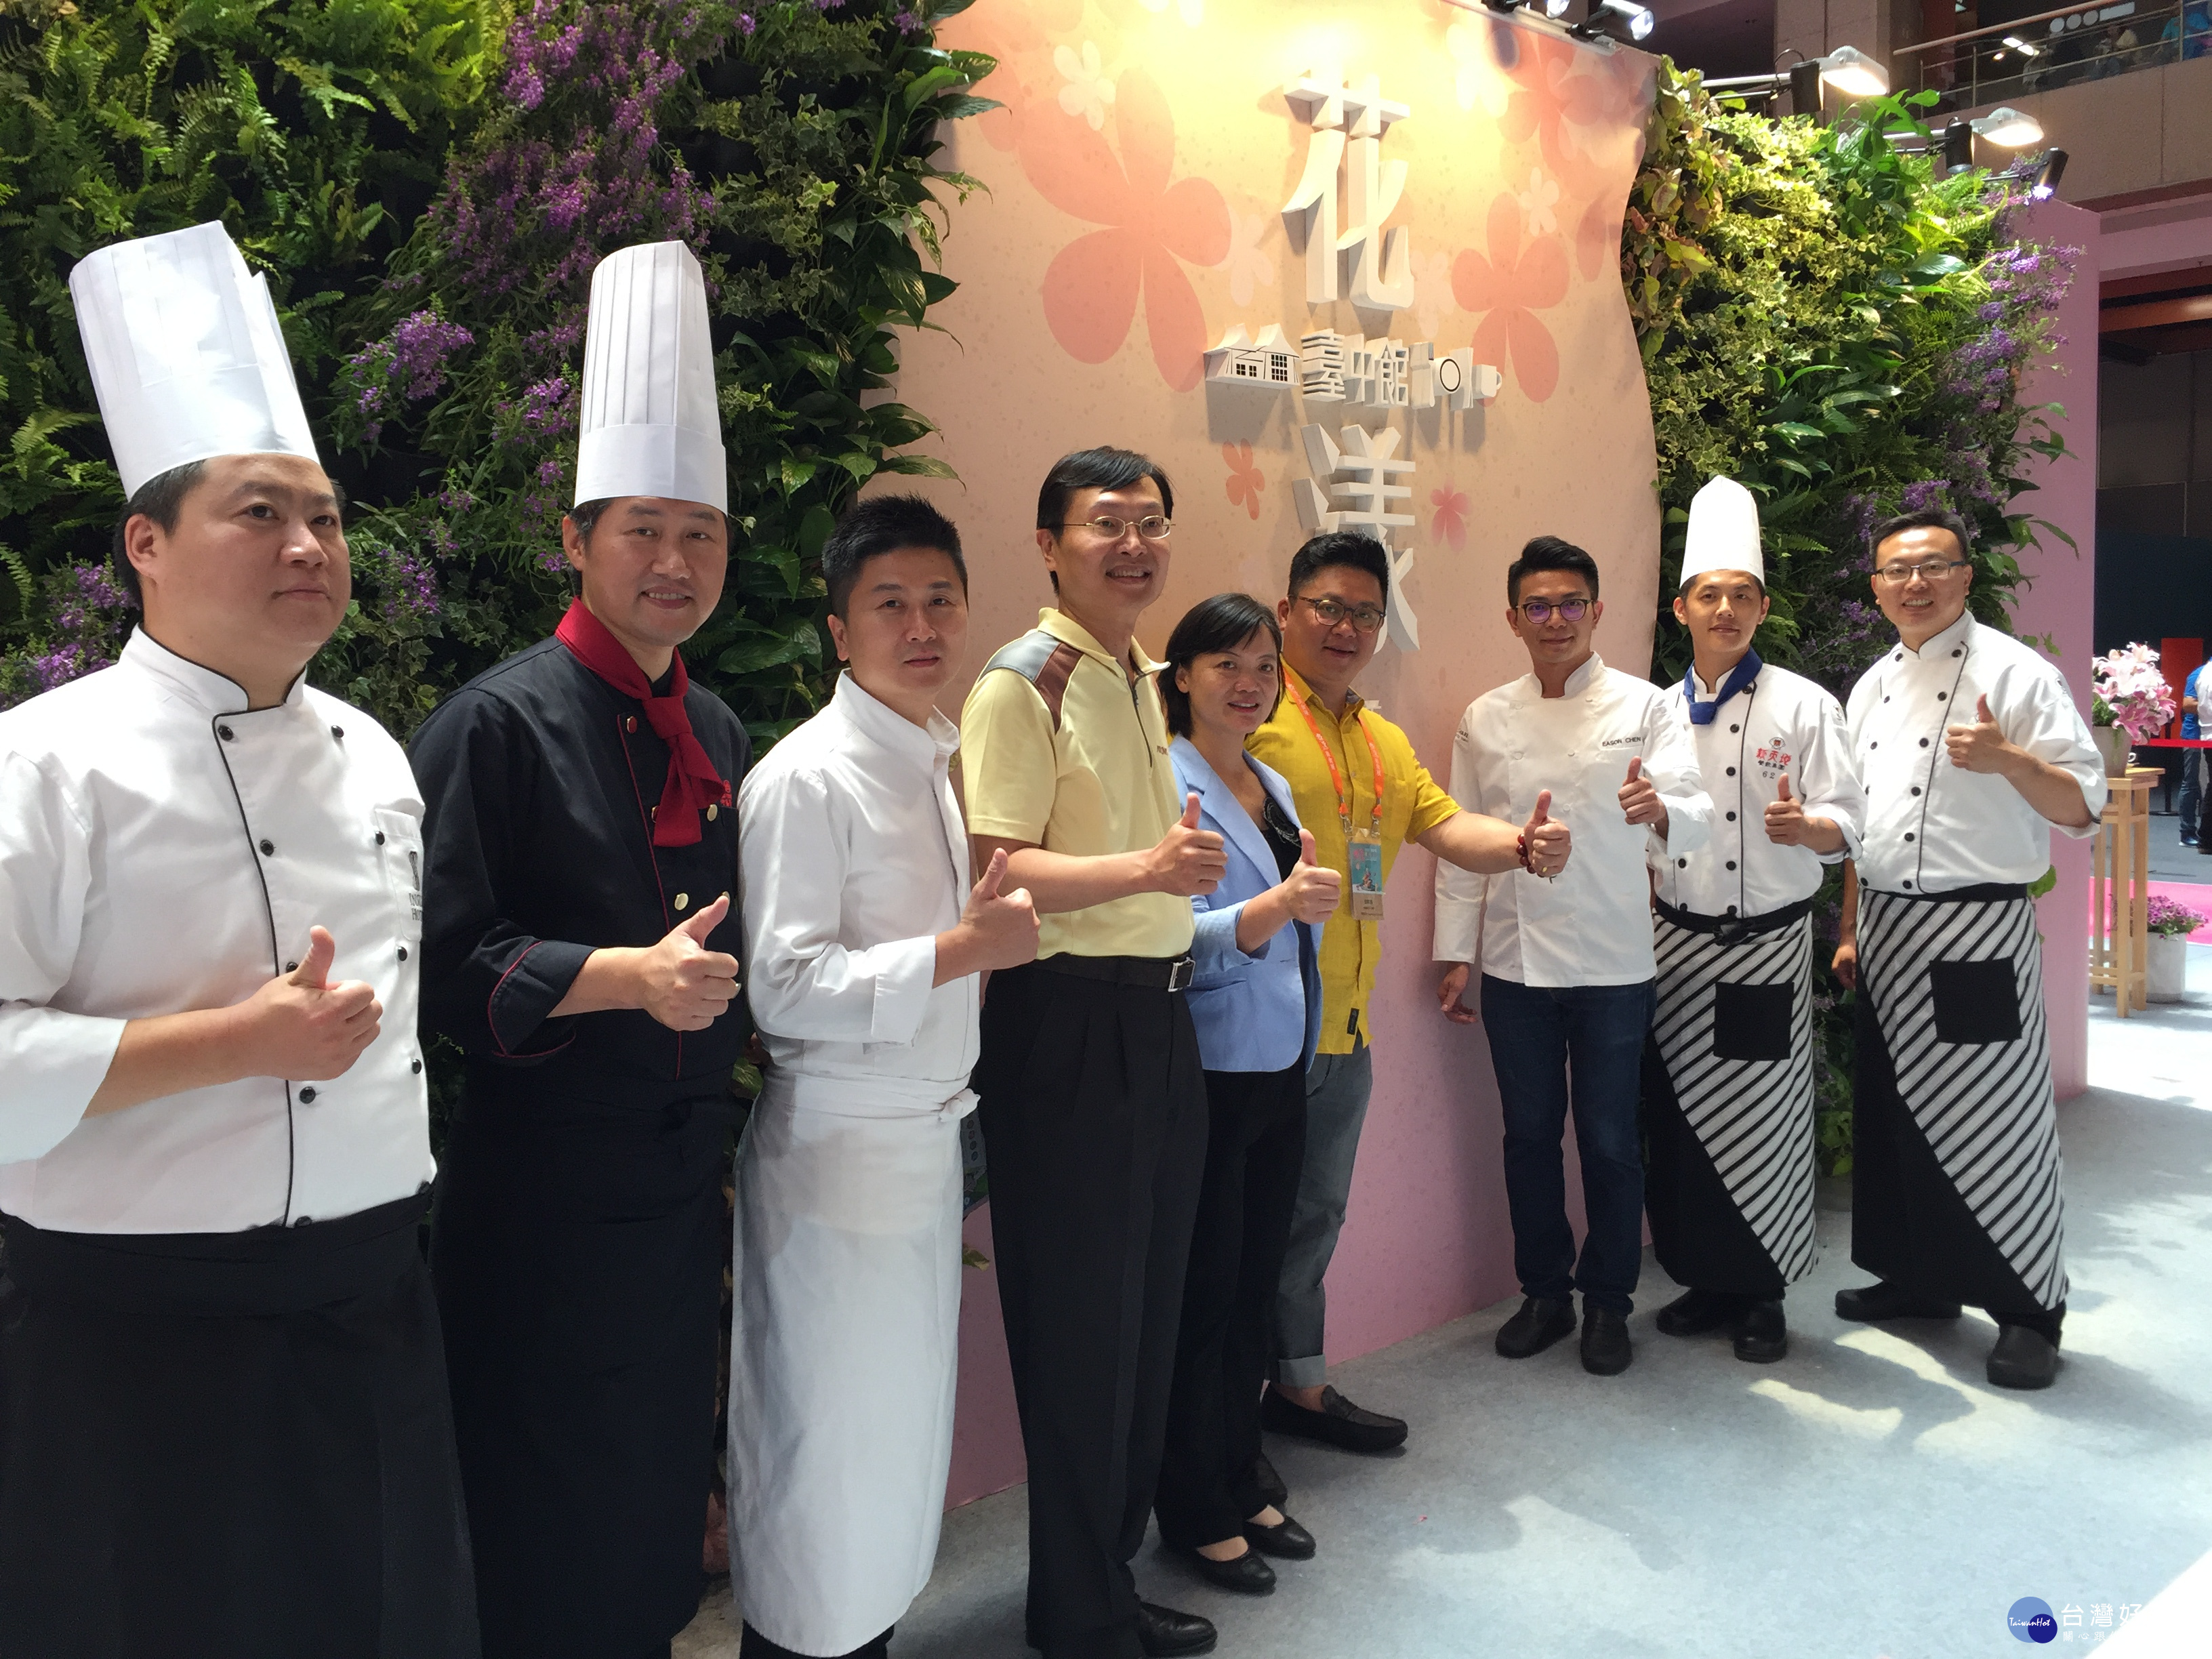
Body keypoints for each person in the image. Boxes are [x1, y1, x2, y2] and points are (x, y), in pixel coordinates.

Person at [0, 220, 476, 1656]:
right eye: (260, 513)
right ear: (144, 545)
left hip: (372, 1306)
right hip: (137, 1343)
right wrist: (237, 1044)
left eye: (325, 517)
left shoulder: (374, 750)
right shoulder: (46, 763)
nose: (309, 546)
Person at [410, 241, 750, 1658]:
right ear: (575, 540)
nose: (674, 564)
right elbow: (437, 967)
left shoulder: (715, 727)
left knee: (654, 1495)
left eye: (700, 534)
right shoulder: (493, 724)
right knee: (545, 1512)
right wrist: (623, 977)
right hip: (541, 1202)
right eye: (642, 531)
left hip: (675, 1196)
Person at [728, 495, 1040, 1659]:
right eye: (889, 603)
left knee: (892, 1442)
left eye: (940, 600)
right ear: (837, 629)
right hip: (838, 1157)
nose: (921, 625)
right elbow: (783, 988)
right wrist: (963, 950)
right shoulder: (807, 777)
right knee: (826, 1454)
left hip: (915, 1150)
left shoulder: (927, 755)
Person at [960, 447, 1223, 1659]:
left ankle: (1103, 1579)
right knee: (1081, 1331)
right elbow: (999, 868)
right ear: (1048, 545)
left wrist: (1157, 883)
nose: (1134, 545)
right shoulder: (1025, 680)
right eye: (1106, 523)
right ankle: (1077, 1610)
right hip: (1067, 1022)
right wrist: (1147, 870)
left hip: (1158, 1018)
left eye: (1151, 522)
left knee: (1145, 1318)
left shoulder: (1137, 672)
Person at [1246, 531, 1568, 1477]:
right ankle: (1218, 1425)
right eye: (1327, 607)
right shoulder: (1247, 712)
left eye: (1364, 614)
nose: (1345, 628)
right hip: (1254, 1026)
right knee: (1239, 1224)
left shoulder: (1380, 742)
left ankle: (1296, 1387)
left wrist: (1520, 846)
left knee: (1313, 1218)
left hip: (1344, 1024)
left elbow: (1444, 824)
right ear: (1286, 612)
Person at [1832, 507, 2104, 1391]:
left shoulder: (2018, 675)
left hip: (1978, 934)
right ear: (1876, 588)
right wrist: (1850, 928)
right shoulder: (1870, 688)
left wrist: (2009, 760)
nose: (1915, 584)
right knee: (1895, 1117)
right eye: (1897, 571)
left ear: (1965, 576)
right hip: (1888, 928)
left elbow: (2083, 806)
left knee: (2001, 1124)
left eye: (1933, 567)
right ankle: (1918, 1281)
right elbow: (1860, 826)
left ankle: (2031, 1311)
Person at [1435, 535, 1712, 1377]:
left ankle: (1609, 1302)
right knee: (1527, 1136)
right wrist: (1455, 951)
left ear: (1596, 612)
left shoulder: (1646, 707)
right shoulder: (1486, 717)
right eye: (1538, 606)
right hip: (1514, 961)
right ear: (1513, 618)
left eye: (1570, 605)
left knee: (1609, 1141)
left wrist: (1659, 809)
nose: (1555, 620)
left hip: (1615, 964)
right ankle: (1545, 1293)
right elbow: (1459, 837)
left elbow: (1696, 812)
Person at [1641, 478, 1864, 1364]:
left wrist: (1810, 828)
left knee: (1765, 1125)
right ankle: (1705, 1279)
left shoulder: (1806, 705)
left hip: (1764, 948)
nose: (1725, 609)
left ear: (1763, 607)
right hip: (1674, 946)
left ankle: (1764, 1292)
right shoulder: (1656, 711)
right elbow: (1647, 824)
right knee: (1683, 1124)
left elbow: (1852, 822)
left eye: (1742, 594)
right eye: (1710, 595)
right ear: (1682, 609)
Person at [1152, 593, 1337, 1598]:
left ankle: (1240, 1474)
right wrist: (1274, 907)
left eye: (1264, 666)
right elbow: (1172, 939)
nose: (1249, 682)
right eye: (1226, 663)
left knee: (1254, 1287)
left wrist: (1297, 908)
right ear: (1181, 675)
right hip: (1214, 1073)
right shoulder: (1167, 780)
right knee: (1206, 1298)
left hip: (1282, 1065)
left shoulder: (1269, 782)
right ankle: (1194, 1507)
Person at [2179, 659, 2202, 848]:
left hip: (2207, 736)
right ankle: (2186, 832)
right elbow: (2188, 705)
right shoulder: (2199, 674)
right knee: (2192, 783)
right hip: (2195, 736)